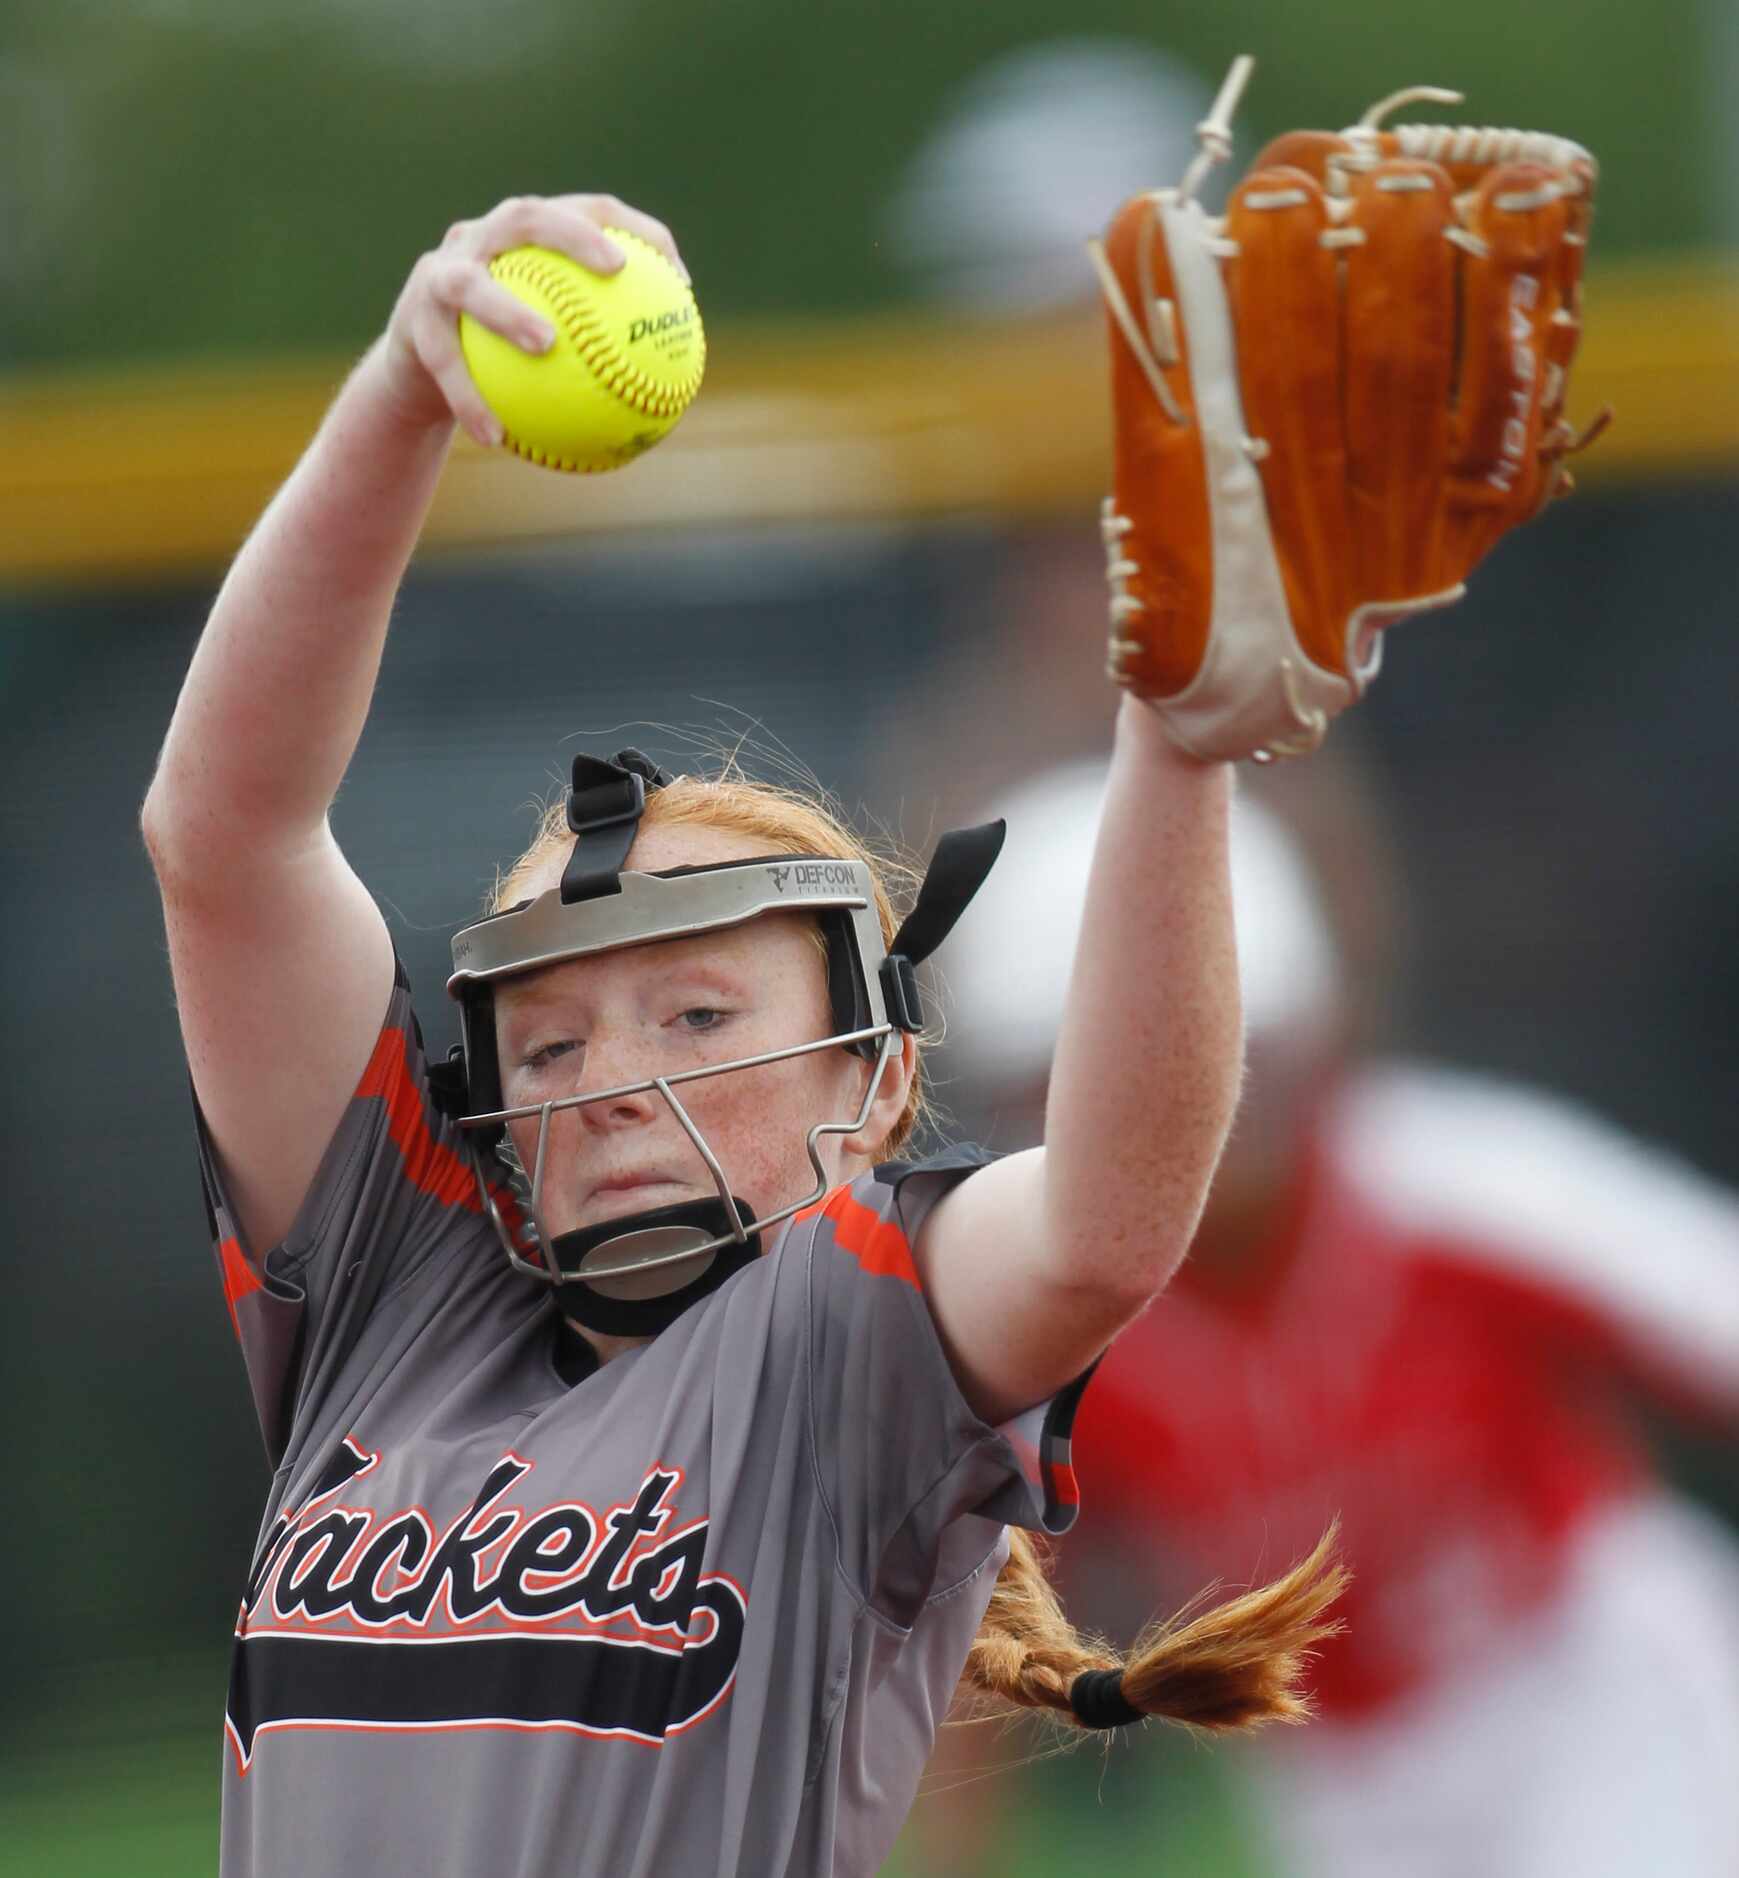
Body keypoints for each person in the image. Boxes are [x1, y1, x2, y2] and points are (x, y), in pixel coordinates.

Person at [139, 193, 1342, 1878]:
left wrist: (1176, 745)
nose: (614, 1076)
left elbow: (1106, 1212)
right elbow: (226, 837)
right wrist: (402, 398)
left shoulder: (845, 1329)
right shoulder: (392, 1299)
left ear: (874, 1079)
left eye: (696, 1012)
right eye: (547, 1046)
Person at [944, 759, 1739, 1878]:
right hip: (1338, 1765)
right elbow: (967, 1639)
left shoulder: (1462, 1191)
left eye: (1220, 1048)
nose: (1189, 1107)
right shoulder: (1039, 1337)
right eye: (1103, 1074)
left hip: (1590, 1691)